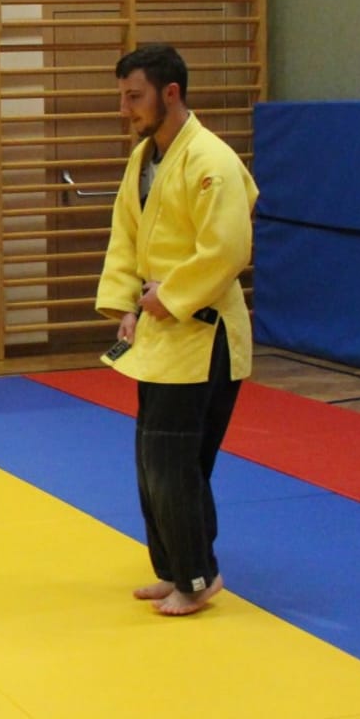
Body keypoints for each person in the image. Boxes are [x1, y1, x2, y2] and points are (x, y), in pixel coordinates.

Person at [93, 43, 258, 616]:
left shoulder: (211, 160)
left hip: (204, 333)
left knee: (177, 463)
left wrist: (171, 295)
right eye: (122, 97)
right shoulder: (145, 159)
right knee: (154, 461)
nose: (125, 109)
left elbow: (228, 249)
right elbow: (126, 235)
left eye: (133, 96)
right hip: (163, 330)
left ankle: (197, 577)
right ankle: (174, 570)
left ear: (170, 93)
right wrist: (127, 303)